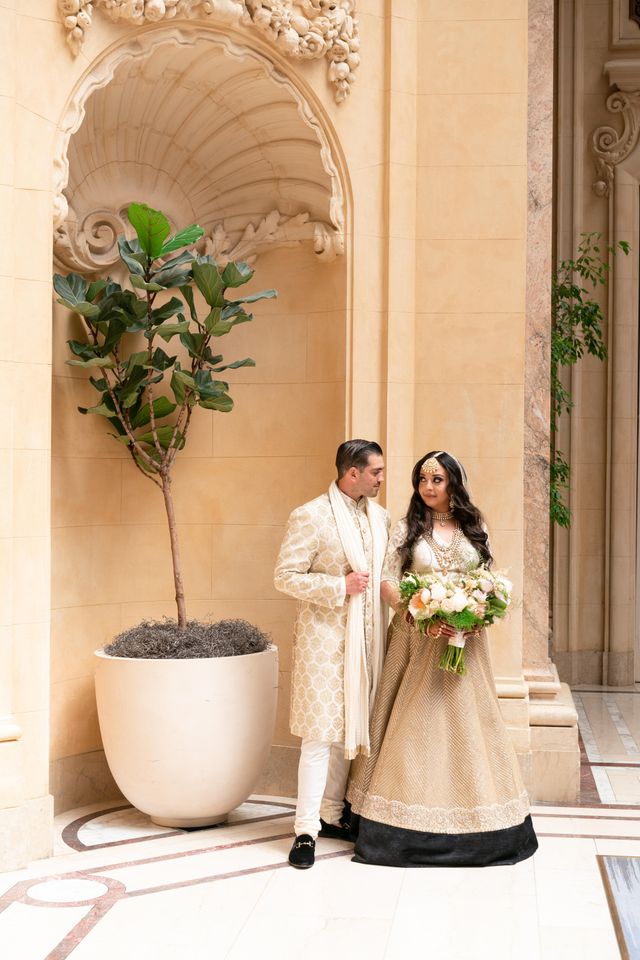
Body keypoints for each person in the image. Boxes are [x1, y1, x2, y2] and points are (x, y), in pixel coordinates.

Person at [346, 451, 538, 867]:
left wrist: (477, 616)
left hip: (466, 640)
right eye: (422, 480)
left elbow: (488, 579)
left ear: (454, 482)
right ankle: (397, 823)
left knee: (469, 723)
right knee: (417, 723)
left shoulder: (475, 526)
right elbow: (386, 581)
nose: (428, 488)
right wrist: (420, 614)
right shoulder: (406, 529)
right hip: (418, 639)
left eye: (437, 480)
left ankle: (477, 818)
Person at [274, 439, 390, 869]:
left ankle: (330, 814)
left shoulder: (380, 519)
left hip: (366, 642)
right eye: (375, 471)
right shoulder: (311, 515)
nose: (381, 478)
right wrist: (337, 587)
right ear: (352, 472)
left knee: (347, 736)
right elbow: (284, 577)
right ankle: (304, 831)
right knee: (319, 736)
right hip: (323, 643)